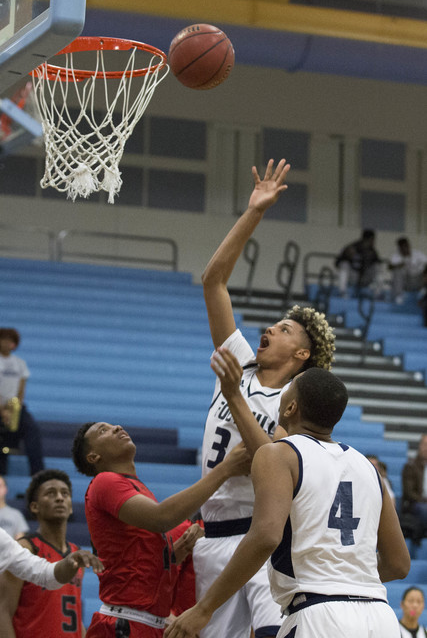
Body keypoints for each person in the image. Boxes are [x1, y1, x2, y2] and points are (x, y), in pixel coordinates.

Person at [194, 158, 336, 638]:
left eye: (284, 328)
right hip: (211, 536)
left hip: (262, 538)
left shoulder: (298, 403)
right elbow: (213, 280)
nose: (268, 329)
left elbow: (273, 458)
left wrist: (234, 396)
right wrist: (253, 212)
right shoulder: (240, 360)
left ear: (301, 352)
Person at [164, 363, 411, 638]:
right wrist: (347, 578)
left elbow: (266, 537)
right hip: (380, 617)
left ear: (291, 408)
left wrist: (204, 609)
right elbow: (399, 564)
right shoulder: (367, 467)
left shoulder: (279, 454)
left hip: (319, 615)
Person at [71, 420, 251, 637]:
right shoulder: (105, 481)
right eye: (104, 431)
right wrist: (225, 470)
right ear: (93, 457)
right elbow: (162, 518)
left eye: (113, 426)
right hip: (124, 623)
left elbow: (136, 562)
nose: (116, 428)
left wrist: (174, 555)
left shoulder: (136, 488)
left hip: (149, 623)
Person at [0, 468, 91, 637]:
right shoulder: (25, 549)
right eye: (50, 493)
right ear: (34, 507)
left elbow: (74, 615)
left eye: (65, 493)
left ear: (71, 507)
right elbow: (3, 612)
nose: (59, 498)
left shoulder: (76, 553)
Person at [0, 327, 44, 476]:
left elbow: (21, 389)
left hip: (15, 408)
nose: (7, 343)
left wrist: (14, 409)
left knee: (32, 431)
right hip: (1, 407)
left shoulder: (20, 363)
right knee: (2, 442)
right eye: (4, 339)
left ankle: (38, 475)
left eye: (11, 341)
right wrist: (2, 410)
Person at [335, 229, 382, 297]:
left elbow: (378, 264)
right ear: (369, 239)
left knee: (377, 266)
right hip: (353, 277)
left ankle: (377, 294)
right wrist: (347, 256)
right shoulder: (351, 247)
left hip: (365, 278)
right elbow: (337, 263)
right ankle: (342, 291)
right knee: (344, 264)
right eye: (373, 240)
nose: (373, 242)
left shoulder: (372, 251)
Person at [401, 434, 427, 543]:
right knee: (423, 509)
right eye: (425, 444)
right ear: (419, 446)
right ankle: (420, 535)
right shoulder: (411, 466)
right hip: (416, 503)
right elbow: (409, 492)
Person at [389, 237, 427, 304]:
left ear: (409, 246)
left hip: (418, 280)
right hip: (405, 283)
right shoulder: (396, 256)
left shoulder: (417, 254)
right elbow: (390, 267)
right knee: (397, 271)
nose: (405, 249)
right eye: (402, 247)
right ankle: (398, 296)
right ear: (399, 248)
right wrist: (399, 265)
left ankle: (423, 292)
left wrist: (424, 273)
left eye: (406, 246)